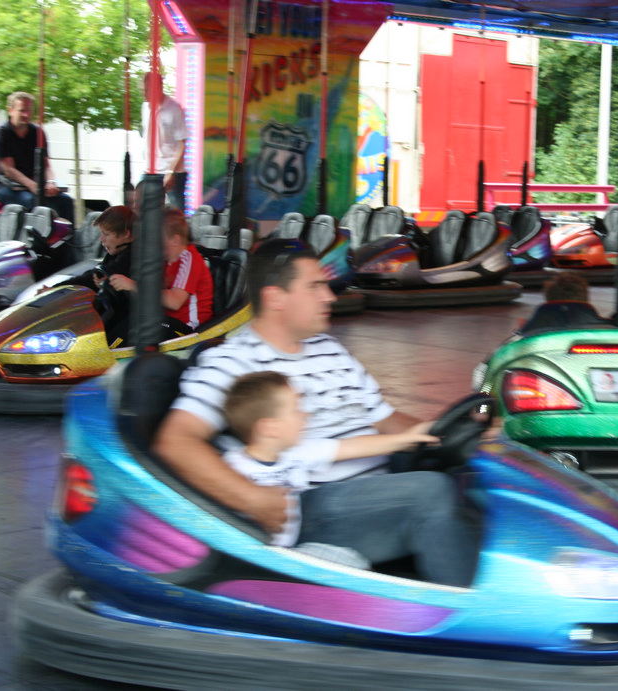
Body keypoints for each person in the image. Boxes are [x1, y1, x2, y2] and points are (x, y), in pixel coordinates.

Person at [152, 239, 480, 587]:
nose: (329, 297)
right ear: (275, 298)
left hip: (382, 488)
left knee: (482, 483)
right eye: (315, 287)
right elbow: (176, 442)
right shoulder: (231, 362)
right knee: (431, 493)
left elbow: (386, 420)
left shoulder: (329, 348)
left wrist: (452, 435)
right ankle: (473, 613)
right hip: (312, 507)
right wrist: (252, 499)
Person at [222, 370, 436, 553]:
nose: (305, 414)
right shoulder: (233, 468)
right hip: (257, 560)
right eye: (296, 410)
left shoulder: (296, 453)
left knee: (354, 562)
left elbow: (353, 447)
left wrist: (407, 438)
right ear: (270, 427)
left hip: (294, 552)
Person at [107, 207, 213, 334]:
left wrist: (133, 285)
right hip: (168, 321)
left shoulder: (189, 259)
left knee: (133, 326)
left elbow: (175, 301)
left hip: (188, 327)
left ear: (175, 240)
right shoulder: (166, 261)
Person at [0, 92, 74, 224]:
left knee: (66, 201)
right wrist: (33, 185)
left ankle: (68, 234)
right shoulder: (2, 132)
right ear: (10, 110)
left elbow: (46, 164)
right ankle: (37, 234)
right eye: (22, 111)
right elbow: (9, 170)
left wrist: (51, 182)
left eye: (29, 110)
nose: (26, 115)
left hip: (34, 185)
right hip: (6, 186)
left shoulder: (38, 132)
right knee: (31, 201)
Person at [59, 205, 134, 292]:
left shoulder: (132, 256)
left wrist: (58, 288)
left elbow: (89, 279)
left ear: (126, 234)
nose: (101, 239)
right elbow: (94, 274)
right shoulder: (116, 253)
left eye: (106, 235)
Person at [142, 73, 188, 211]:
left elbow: (182, 143)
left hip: (171, 169)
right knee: (145, 208)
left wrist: (170, 171)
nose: (145, 94)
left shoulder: (174, 109)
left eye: (148, 90)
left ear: (158, 88)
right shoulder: (145, 108)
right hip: (150, 169)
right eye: (144, 90)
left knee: (176, 212)